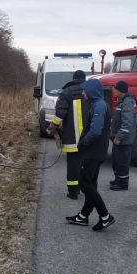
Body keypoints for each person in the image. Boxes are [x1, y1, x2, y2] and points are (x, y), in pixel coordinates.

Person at [65, 78, 115, 231]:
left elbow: (95, 131)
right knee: (90, 184)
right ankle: (83, 216)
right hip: (95, 151)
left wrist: (83, 143)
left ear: (92, 91)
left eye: (84, 90)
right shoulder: (97, 104)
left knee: (85, 183)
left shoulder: (99, 105)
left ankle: (105, 216)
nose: (82, 92)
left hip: (94, 152)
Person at [47, 70, 89, 199]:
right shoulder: (90, 91)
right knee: (86, 164)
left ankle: (73, 192)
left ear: (73, 78)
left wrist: (52, 127)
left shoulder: (66, 92)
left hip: (73, 136)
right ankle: (88, 189)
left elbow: (60, 114)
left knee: (73, 164)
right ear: (84, 79)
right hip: (89, 136)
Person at [110, 80, 137, 191]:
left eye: (115, 88)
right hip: (119, 138)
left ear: (120, 90)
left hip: (123, 140)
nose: (113, 90)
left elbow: (127, 124)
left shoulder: (127, 103)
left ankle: (123, 184)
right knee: (116, 161)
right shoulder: (122, 101)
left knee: (122, 162)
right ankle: (118, 179)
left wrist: (118, 137)